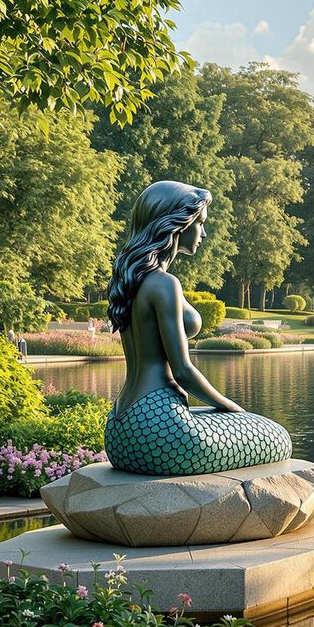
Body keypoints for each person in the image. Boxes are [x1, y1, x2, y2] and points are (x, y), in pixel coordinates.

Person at [103, 181, 291, 475]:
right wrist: (232, 407)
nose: (202, 233)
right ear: (176, 224)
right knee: (278, 437)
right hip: (161, 434)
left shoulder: (129, 279)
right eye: (199, 223)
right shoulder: (164, 284)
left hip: (121, 429)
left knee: (219, 420)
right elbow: (183, 372)